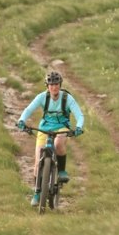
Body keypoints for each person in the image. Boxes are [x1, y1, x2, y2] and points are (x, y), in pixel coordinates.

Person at [17, 71, 85, 206]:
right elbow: (29, 110)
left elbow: (80, 115)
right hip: (45, 128)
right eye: (51, 84)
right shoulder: (42, 97)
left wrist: (78, 127)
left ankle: (61, 171)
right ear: (47, 86)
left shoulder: (67, 98)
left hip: (61, 127)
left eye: (56, 84)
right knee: (37, 161)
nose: (54, 87)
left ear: (60, 85)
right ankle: (37, 193)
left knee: (59, 143)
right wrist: (22, 120)